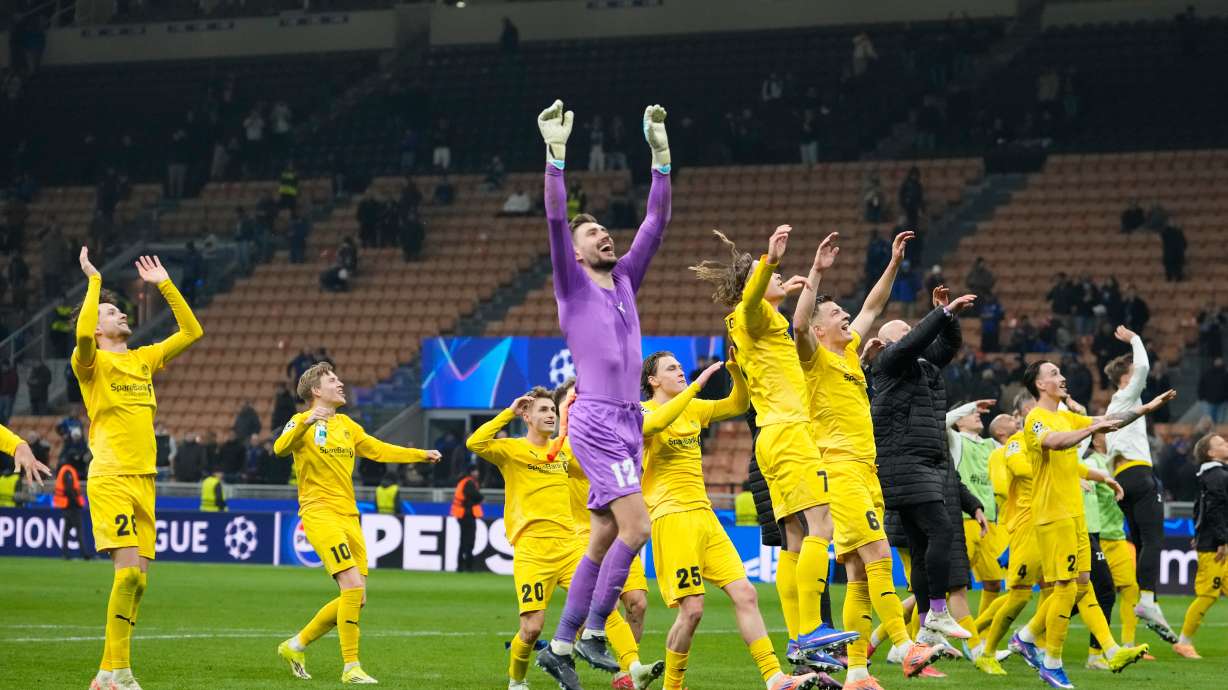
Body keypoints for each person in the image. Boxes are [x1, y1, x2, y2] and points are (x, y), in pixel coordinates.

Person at [692, 226, 905, 690]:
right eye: (767, 273)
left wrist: (805, 276)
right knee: (821, 526)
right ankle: (810, 629)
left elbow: (790, 320)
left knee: (794, 540)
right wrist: (769, 261)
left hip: (774, 434)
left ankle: (799, 637)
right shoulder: (750, 314)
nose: (776, 275)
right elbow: (762, 307)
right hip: (791, 433)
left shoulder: (759, 323)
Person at [532, 99, 673, 690]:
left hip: (629, 421)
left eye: (605, 230)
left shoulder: (625, 279)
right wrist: (555, 156)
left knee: (605, 536)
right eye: (592, 232)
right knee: (637, 529)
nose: (605, 235)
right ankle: (594, 630)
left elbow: (655, 222)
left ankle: (561, 644)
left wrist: (661, 159)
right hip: (595, 418)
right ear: (576, 249)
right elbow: (554, 217)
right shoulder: (570, 283)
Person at [791, 229, 941, 685]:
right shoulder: (814, 357)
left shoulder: (849, 355)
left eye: (844, 312)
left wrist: (893, 263)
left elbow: (873, 306)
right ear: (820, 329)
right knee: (878, 554)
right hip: (840, 470)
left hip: (866, 470)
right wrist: (816, 272)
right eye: (837, 313)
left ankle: (857, 671)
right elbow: (798, 326)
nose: (847, 317)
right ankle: (904, 645)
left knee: (858, 573)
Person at [639, 352, 819, 690]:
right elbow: (656, 426)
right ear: (653, 380)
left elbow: (738, 403)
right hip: (672, 517)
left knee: (746, 593)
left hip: (704, 516)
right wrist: (695, 387)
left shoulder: (693, 408)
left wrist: (737, 371)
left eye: (680, 367)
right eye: (671, 368)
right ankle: (672, 686)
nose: (680, 371)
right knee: (692, 610)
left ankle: (774, 678)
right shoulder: (642, 411)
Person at [469, 387, 663, 690]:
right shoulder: (512, 450)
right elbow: (475, 442)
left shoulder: (563, 450)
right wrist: (509, 411)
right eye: (543, 410)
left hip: (570, 546)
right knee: (531, 628)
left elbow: (595, 467)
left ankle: (634, 668)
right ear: (527, 416)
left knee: (603, 607)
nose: (550, 414)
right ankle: (517, 680)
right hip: (533, 551)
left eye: (552, 410)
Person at [73, 249, 203, 690]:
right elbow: (82, 335)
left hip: (146, 480)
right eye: (111, 313)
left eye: (119, 310)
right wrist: (94, 283)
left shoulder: (143, 359)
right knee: (127, 574)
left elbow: (192, 331)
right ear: (96, 328)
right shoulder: (90, 363)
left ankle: (106, 673)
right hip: (111, 475)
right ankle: (122, 674)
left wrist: (165, 284)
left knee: (139, 584)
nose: (122, 314)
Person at [1008, 361, 1173, 687]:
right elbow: (1055, 441)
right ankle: (1052, 663)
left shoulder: (1066, 416)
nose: (1062, 377)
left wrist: (1146, 408)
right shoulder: (1036, 418)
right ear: (1039, 384)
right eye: (1054, 374)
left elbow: (1108, 421)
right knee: (1066, 587)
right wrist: (1088, 430)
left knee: (1083, 582)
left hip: (1074, 513)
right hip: (1052, 514)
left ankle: (1030, 638)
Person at [274, 362, 440, 684]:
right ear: (316, 390)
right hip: (320, 513)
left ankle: (295, 645)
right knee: (351, 587)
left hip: (349, 516)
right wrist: (307, 421)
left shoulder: (347, 425)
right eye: (332, 380)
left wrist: (420, 454)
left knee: (357, 597)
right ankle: (351, 667)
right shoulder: (300, 421)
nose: (340, 383)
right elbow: (280, 448)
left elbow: (378, 450)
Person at [549, 379, 657, 688]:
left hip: (622, 533)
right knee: (605, 610)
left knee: (637, 603)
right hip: (586, 536)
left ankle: (610, 662)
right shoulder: (562, 449)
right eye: (570, 403)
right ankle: (625, 671)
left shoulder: (607, 437)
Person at [1102, 325, 1178, 642]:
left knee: (1142, 544)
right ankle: (1147, 601)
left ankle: (1151, 603)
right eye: (1132, 374)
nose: (1139, 378)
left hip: (1121, 481)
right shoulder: (1125, 396)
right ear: (1125, 378)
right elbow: (1144, 367)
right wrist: (1134, 339)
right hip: (1138, 474)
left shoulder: (1111, 409)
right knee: (1153, 539)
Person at [946, 399, 1008, 645]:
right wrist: (968, 406)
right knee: (948, 586)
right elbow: (943, 421)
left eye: (977, 413)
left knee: (994, 583)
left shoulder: (991, 445)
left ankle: (979, 637)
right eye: (970, 413)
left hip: (989, 522)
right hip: (964, 520)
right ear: (959, 420)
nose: (977, 415)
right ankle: (908, 638)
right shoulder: (956, 441)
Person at [1173, 433, 1228, 659]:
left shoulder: (1213, 474)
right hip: (1215, 546)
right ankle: (1184, 642)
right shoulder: (1216, 475)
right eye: (1221, 443)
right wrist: (1222, 540)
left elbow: (1199, 507)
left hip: (1215, 540)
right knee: (1207, 595)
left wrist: (1197, 532)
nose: (1227, 444)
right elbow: (1215, 508)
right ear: (1211, 453)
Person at [54, 452, 91, 559]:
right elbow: (70, 489)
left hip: (66, 505)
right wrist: (77, 503)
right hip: (71, 506)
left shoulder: (65, 469)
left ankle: (65, 553)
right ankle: (84, 554)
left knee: (66, 530)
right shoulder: (68, 471)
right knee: (79, 529)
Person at [452, 465, 483, 572]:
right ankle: (468, 566)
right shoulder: (469, 483)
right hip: (467, 515)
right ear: (471, 472)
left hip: (462, 515)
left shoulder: (464, 481)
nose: (477, 473)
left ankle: (460, 566)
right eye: (475, 471)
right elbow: (476, 496)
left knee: (463, 541)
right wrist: (480, 498)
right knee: (469, 541)